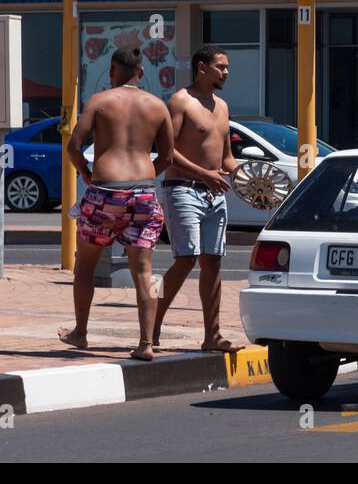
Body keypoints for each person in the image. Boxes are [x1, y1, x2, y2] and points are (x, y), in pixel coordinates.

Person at [59, 47, 175, 361]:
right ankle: (146, 343)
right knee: (145, 272)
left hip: (105, 191)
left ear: (112, 71)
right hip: (143, 193)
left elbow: (73, 146)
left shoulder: (99, 101)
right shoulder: (157, 105)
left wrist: (86, 172)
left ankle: (80, 333)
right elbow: (167, 157)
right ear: (140, 72)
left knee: (85, 265)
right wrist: (146, 176)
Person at [152, 45, 242, 353]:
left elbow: (226, 158)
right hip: (182, 188)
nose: (226, 72)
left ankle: (212, 336)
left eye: (227, 67)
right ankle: (151, 322)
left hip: (213, 194)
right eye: (220, 67)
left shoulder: (223, 107)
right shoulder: (181, 101)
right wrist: (204, 173)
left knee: (213, 263)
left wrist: (253, 178)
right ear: (201, 68)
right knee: (185, 259)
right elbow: (167, 151)